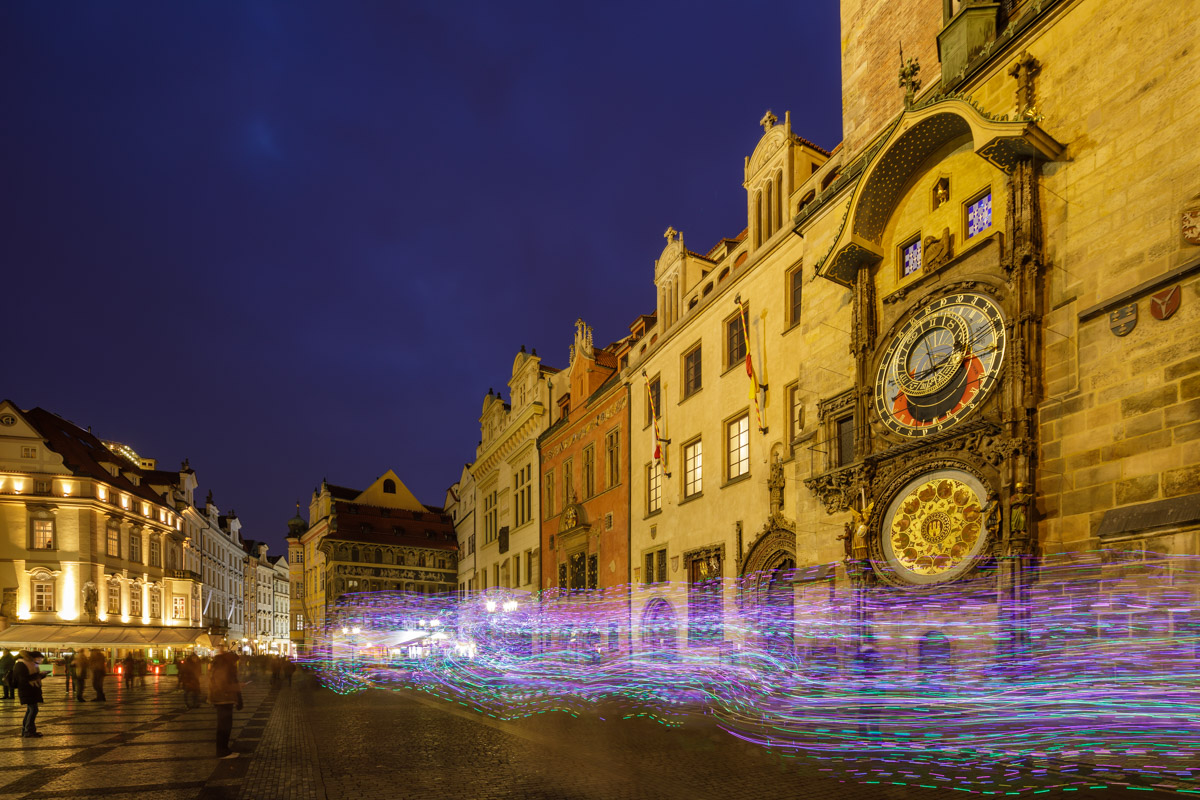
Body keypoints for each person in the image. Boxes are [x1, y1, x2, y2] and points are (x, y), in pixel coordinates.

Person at [209, 646, 243, 759]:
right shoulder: (222, 668)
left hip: (226, 699)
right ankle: (222, 752)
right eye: (234, 662)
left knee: (226, 726)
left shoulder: (223, 666)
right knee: (224, 727)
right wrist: (237, 686)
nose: (235, 665)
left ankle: (225, 750)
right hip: (222, 699)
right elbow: (222, 686)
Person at [14, 650, 48, 738]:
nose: (40, 660)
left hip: (32, 690)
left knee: (31, 710)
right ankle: (28, 731)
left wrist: (42, 675)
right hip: (26, 690)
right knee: (33, 710)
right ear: (34, 657)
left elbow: (33, 676)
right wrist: (38, 675)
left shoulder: (31, 664)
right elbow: (23, 679)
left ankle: (26, 730)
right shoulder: (21, 664)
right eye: (39, 658)